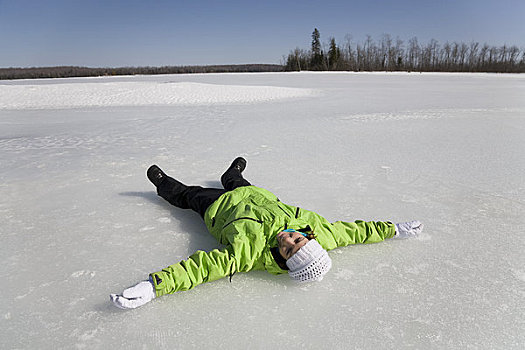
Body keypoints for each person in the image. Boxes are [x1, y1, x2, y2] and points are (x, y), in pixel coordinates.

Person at [110, 157, 423, 309]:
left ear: (283, 261)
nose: (288, 239)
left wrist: (155, 286)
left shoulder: (248, 255)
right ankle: (232, 174)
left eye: (288, 249)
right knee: (235, 181)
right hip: (255, 195)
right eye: (297, 240)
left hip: (219, 208)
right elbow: (355, 232)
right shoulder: (321, 234)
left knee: (188, 195)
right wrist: (393, 229)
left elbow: (203, 269)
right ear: (310, 238)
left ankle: (163, 184)